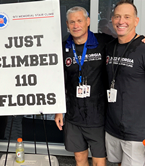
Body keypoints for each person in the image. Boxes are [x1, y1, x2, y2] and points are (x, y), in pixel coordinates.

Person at [54, 6, 114, 166]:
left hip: (98, 116)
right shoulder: (63, 47)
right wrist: (59, 109)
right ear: (67, 24)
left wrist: (140, 39)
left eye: (79, 20)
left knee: (99, 162)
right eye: (72, 22)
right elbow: (58, 79)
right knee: (79, 159)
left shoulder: (104, 42)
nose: (76, 25)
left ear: (88, 21)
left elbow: (125, 44)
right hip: (74, 115)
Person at [105, 1, 145, 165]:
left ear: (136, 21)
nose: (121, 21)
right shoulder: (109, 47)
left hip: (136, 132)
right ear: (112, 20)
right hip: (112, 127)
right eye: (117, 17)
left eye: (127, 17)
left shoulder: (143, 48)